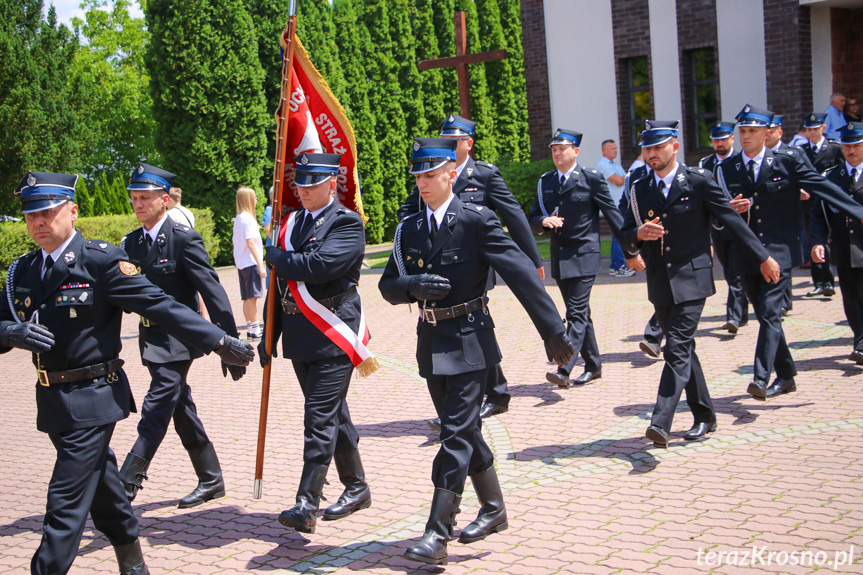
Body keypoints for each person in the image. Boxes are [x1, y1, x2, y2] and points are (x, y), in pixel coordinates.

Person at [0, 172, 253, 575]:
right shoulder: (23, 271)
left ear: (72, 211)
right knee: (102, 485)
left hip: (94, 398)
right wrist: (8, 331)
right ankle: (133, 562)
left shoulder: (101, 261)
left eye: (47, 212)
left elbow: (162, 305)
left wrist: (221, 341)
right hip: (51, 403)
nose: (38, 223)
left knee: (64, 505)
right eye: (30, 215)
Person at [379, 138, 573, 566]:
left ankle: (437, 531)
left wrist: (552, 330)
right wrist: (410, 287)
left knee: (452, 435)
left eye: (431, 175)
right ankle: (494, 507)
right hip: (430, 342)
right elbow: (387, 286)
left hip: (470, 340)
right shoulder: (409, 227)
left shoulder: (476, 221)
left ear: (451, 173)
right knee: (464, 430)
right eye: (417, 176)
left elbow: (521, 272)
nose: (422, 183)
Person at [620, 121, 780, 448]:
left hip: (693, 278)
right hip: (660, 281)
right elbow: (625, 229)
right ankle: (705, 415)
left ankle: (660, 421)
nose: (651, 154)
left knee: (676, 347)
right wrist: (637, 236)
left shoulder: (697, 181)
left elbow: (732, 221)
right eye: (647, 149)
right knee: (685, 351)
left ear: (674, 147)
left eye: (658, 147)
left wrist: (763, 257)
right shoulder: (637, 187)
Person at [397, 115, 543, 430]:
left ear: (468, 143)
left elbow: (513, 214)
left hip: (474, 266)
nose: (448, 143)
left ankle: (480, 400)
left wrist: (534, 259)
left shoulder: (485, 174)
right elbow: (409, 208)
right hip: (437, 268)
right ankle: (490, 395)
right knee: (471, 332)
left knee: (473, 326)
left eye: (455, 139)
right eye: (444, 138)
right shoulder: (430, 174)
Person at [260, 153, 375, 535]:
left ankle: (307, 502)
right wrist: (268, 335)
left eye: (313, 183)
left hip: (333, 333)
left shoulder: (346, 223)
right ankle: (357, 487)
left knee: (318, 417)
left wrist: (279, 257)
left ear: (331, 184)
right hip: (299, 335)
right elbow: (278, 289)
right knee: (333, 413)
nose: (305, 191)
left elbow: (321, 265)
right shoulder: (290, 223)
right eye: (300, 184)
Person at [118, 163, 245, 509]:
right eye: (134, 199)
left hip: (178, 342)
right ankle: (211, 478)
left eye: (145, 198)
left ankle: (124, 485)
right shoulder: (130, 243)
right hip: (150, 340)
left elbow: (211, 289)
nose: (138, 204)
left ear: (164, 200)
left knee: (156, 406)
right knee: (180, 407)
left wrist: (228, 342)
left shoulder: (182, 238)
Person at [716, 105, 863, 400]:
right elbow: (716, 211)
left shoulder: (787, 160)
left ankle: (760, 376)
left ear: (766, 133)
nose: (745, 136)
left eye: (752, 131)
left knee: (771, 313)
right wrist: (730, 211)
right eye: (742, 131)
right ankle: (786, 377)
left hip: (780, 251)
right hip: (746, 253)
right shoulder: (726, 168)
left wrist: (858, 211)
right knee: (764, 315)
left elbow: (821, 186)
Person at [530, 129, 625, 387]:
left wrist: (632, 248)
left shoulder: (591, 178)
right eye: (553, 149)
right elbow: (533, 218)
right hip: (561, 257)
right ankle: (593, 365)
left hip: (585, 255)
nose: (557, 153)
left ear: (576, 151)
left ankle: (564, 367)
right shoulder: (545, 182)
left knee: (576, 313)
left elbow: (613, 215)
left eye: (562, 148)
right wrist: (543, 221)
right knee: (582, 313)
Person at [810, 122, 863, 364]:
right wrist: (818, 242)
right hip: (844, 247)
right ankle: (860, 340)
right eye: (847, 145)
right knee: (851, 298)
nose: (851, 150)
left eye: (856, 145)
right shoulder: (830, 177)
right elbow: (818, 214)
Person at [700, 121, 750, 334]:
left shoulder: (741, 162)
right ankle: (742, 312)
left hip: (740, 224)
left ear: (732, 138)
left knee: (736, 271)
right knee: (730, 271)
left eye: (723, 139)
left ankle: (734, 316)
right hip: (717, 226)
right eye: (715, 139)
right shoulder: (706, 163)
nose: (719, 143)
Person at [801, 113, 846, 297]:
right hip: (809, 202)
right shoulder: (801, 151)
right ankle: (820, 282)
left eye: (815, 129)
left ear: (823, 128)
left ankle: (832, 279)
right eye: (809, 129)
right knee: (815, 240)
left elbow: (842, 172)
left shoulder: (834, 149)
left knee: (831, 240)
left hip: (830, 202)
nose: (812, 133)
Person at [597, 139, 634, 277]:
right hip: (614, 205)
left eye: (616, 148)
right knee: (618, 235)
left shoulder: (615, 165)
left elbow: (624, 179)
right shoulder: (603, 165)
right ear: (604, 151)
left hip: (622, 204)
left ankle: (619, 264)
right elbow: (618, 181)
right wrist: (631, 175)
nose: (615, 151)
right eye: (612, 149)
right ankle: (617, 265)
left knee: (621, 234)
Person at [232, 186, 266, 340]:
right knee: (253, 297)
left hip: (242, 263)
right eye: (254, 197)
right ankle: (256, 326)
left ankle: (251, 327)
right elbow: (251, 242)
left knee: (247, 297)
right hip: (251, 263)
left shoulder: (239, 218)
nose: (256, 200)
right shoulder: (248, 218)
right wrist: (260, 264)